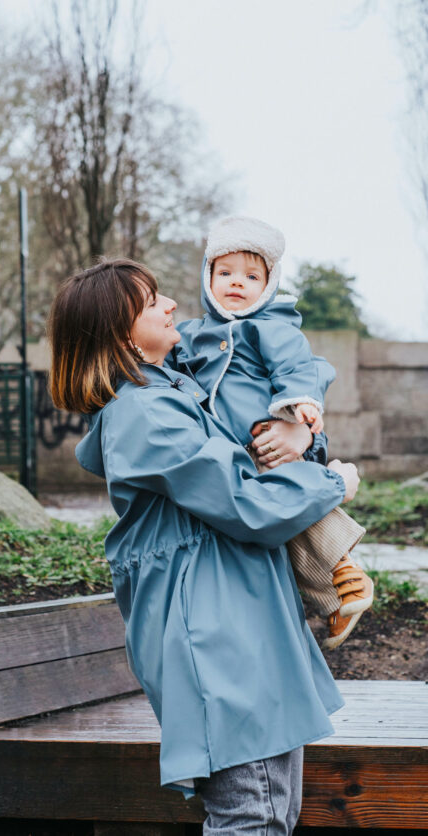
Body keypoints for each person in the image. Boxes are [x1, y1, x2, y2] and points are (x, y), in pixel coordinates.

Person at [48, 257, 360, 835]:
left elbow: (286, 369)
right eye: (151, 302)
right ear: (120, 332)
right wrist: (337, 480)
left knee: (270, 811)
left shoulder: (173, 393)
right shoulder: (148, 413)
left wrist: (303, 430)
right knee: (253, 817)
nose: (171, 306)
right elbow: (248, 504)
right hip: (222, 638)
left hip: (240, 626)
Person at [172, 215, 373, 649]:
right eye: (224, 273)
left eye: (251, 275)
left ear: (269, 284)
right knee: (282, 521)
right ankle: (337, 594)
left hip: (267, 440)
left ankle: (343, 573)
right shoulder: (189, 334)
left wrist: (299, 408)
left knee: (292, 504)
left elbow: (298, 367)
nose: (236, 283)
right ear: (207, 279)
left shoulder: (272, 327)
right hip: (231, 454)